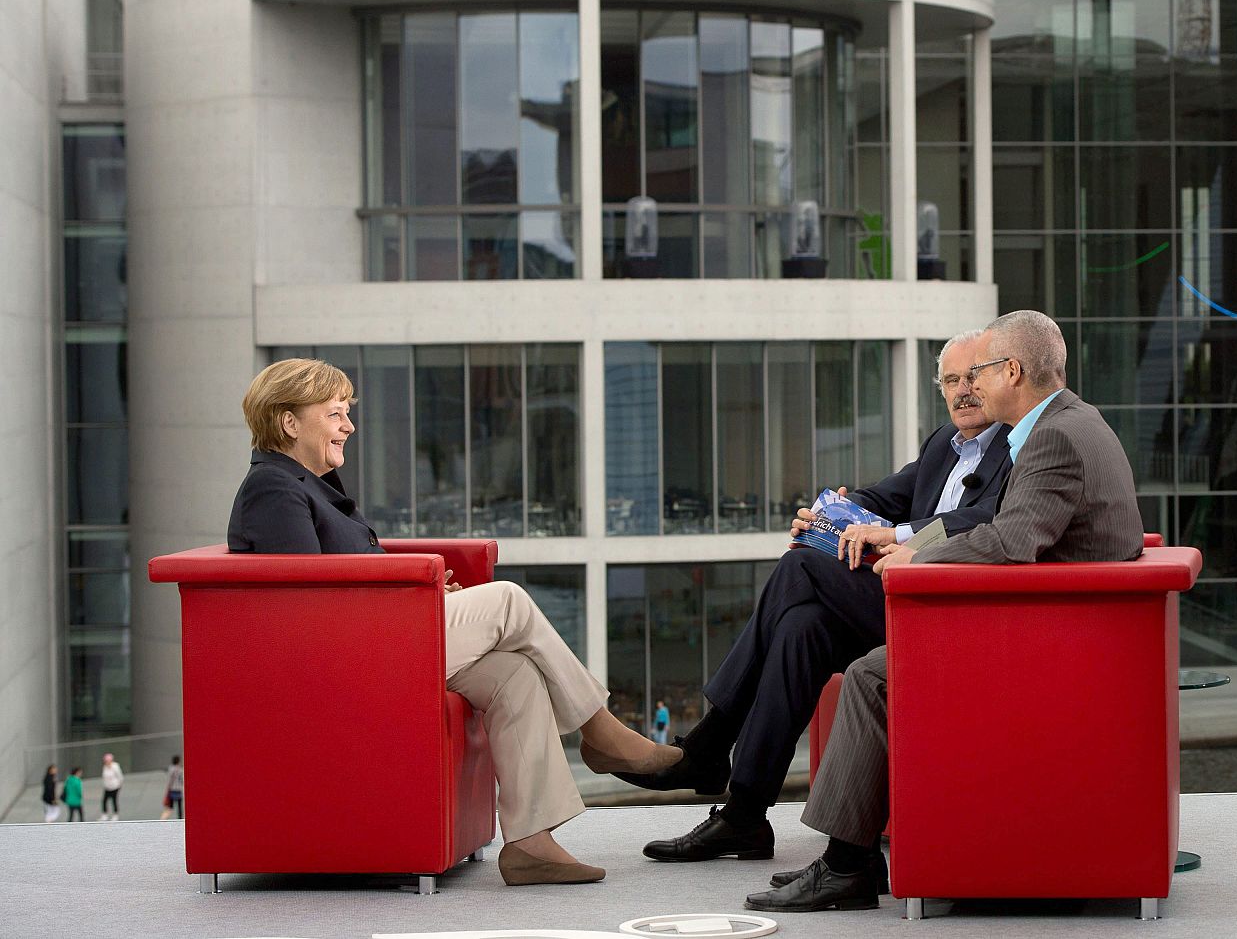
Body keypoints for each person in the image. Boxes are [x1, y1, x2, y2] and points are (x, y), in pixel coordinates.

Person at [747, 309, 1145, 912]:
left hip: (1046, 641)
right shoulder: (1066, 424)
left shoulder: (1054, 436)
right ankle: (824, 850)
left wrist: (912, 558)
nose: (971, 387)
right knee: (814, 625)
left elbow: (1010, 541)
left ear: (1013, 371)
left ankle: (843, 865)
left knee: (871, 675)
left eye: (981, 371)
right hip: (1058, 624)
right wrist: (895, 538)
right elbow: (1005, 531)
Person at [227, 358, 681, 885]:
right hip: (351, 657)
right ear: (288, 422)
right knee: (508, 599)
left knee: (515, 673)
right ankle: (601, 732)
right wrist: (413, 594)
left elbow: (344, 576)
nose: (349, 426)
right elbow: (310, 608)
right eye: (335, 414)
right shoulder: (273, 489)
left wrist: (422, 588)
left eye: (347, 413)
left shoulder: (306, 484)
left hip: (384, 634)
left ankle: (531, 844)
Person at [616, 331, 1013, 864]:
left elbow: (986, 522)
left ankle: (708, 746)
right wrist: (833, 509)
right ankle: (745, 815)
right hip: (895, 599)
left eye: (972, 378)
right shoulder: (945, 443)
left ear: (995, 378)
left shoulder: (1019, 446)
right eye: (950, 380)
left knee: (801, 562)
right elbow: (886, 494)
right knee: (798, 628)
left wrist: (904, 535)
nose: (962, 391)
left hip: (944, 610)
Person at [99, 753, 123, 821]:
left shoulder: (115, 766)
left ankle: (115, 815)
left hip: (115, 787)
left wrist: (119, 785)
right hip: (107, 787)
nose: (106, 762)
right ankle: (104, 814)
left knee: (114, 801)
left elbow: (120, 776)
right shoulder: (105, 767)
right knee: (104, 801)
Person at [163, 755, 184, 820]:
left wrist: (167, 789)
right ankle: (180, 819)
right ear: (178, 761)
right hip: (178, 789)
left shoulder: (170, 769)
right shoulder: (180, 769)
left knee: (170, 807)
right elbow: (181, 780)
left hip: (172, 789)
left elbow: (169, 780)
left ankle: (164, 818)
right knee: (179, 807)